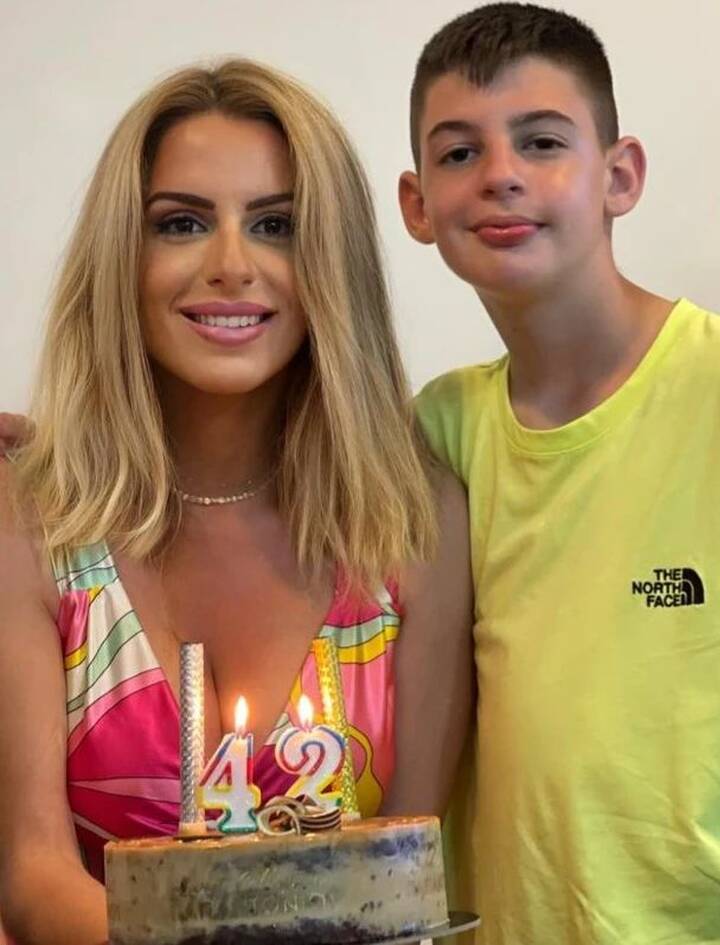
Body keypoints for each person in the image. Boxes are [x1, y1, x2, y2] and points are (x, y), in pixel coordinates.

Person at [0, 59, 473, 945]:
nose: (230, 265)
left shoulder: (414, 519)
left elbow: (407, 883)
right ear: (122, 255)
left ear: (332, 258)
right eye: (181, 223)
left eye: (276, 225)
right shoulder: (31, 514)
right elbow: (32, 876)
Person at [399, 3, 720, 944]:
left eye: (542, 141)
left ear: (619, 175)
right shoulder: (441, 429)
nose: (501, 174)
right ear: (418, 205)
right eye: (460, 152)